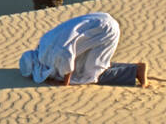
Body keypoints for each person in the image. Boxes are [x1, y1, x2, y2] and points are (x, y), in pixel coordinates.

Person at [17, 12, 147, 87]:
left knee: (89, 74)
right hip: (100, 20)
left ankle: (135, 72)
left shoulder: (50, 56)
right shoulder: (44, 44)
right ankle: (135, 69)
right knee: (87, 65)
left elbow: (66, 55)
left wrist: (65, 83)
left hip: (105, 30)